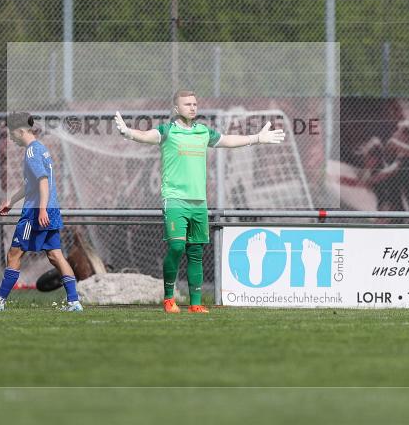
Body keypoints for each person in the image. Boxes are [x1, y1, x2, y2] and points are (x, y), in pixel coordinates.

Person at [114, 90, 285, 314]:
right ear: (176, 109)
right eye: (187, 104)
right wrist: (128, 132)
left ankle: (195, 303)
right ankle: (168, 299)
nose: (193, 107)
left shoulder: (203, 132)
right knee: (176, 247)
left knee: (195, 252)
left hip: (199, 203)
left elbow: (228, 140)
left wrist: (257, 139)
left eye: (195, 103)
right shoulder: (167, 131)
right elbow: (147, 136)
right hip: (175, 200)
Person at [0, 111, 83, 312]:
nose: (11, 137)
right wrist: (11, 201)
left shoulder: (32, 151)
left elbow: (42, 181)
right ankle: (74, 302)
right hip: (50, 209)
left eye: (11, 133)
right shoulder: (41, 149)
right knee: (56, 256)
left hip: (36, 213)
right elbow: (32, 184)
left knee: (14, 254)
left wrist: (41, 210)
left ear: (20, 130)